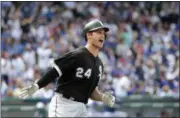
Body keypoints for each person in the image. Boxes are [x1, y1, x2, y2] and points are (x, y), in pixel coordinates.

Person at [19, 19, 115, 117]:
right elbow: (54, 72)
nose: (103, 35)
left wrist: (103, 98)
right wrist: (37, 86)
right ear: (89, 35)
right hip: (64, 105)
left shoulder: (99, 65)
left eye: (104, 34)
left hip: (81, 107)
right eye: (99, 32)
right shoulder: (77, 55)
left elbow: (92, 92)